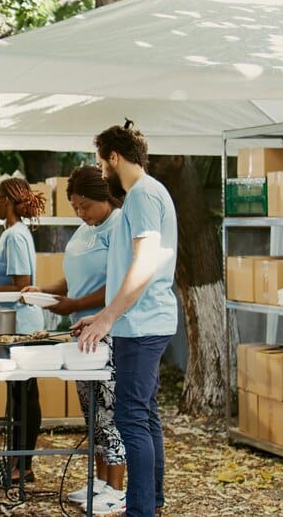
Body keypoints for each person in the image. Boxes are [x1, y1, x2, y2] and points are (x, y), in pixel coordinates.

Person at [73, 123, 178, 517]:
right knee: (144, 414)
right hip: (142, 321)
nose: (101, 172)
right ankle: (150, 502)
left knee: (131, 417)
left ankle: (141, 510)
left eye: (101, 164)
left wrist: (108, 319)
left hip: (144, 323)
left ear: (114, 157)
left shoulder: (142, 196)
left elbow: (146, 261)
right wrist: (103, 316)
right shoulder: (145, 195)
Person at [21, 165, 126, 513]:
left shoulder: (119, 226)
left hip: (109, 331)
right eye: (75, 207)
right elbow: (70, 279)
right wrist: (43, 291)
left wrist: (77, 305)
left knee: (111, 415)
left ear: (104, 198)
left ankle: (117, 487)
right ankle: (98, 483)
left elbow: (117, 284)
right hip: (81, 333)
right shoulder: (84, 231)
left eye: (85, 206)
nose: (80, 213)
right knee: (92, 414)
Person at [0, 176, 46, 486]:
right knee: (16, 396)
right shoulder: (11, 234)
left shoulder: (15, 236)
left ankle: (23, 466)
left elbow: (20, 284)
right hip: (14, 326)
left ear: (8, 200)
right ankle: (14, 459)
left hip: (23, 326)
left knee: (24, 396)